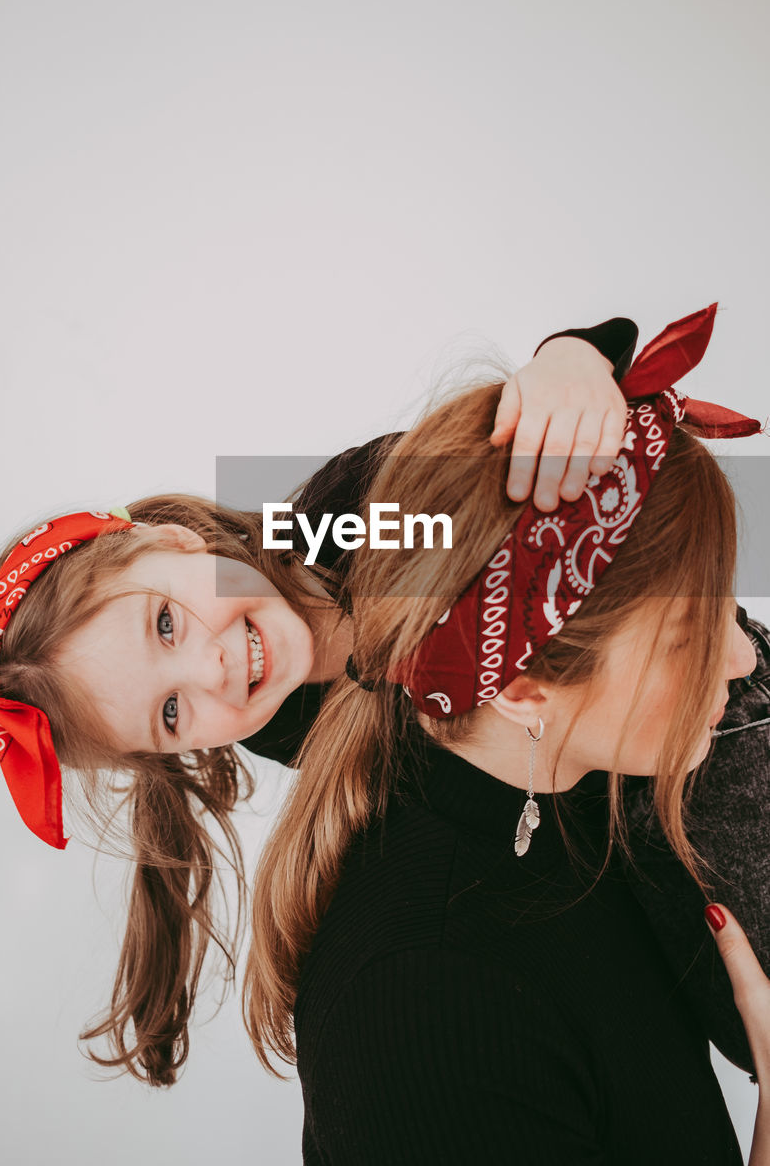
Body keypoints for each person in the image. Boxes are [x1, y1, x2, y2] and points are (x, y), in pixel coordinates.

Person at [0, 309, 769, 1099]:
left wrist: (567, 362)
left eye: (166, 622)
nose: (211, 670)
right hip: (627, 833)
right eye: (171, 714)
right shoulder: (293, 736)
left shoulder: (345, 519)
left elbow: (513, 480)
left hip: (703, 703)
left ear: (174, 544)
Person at [243, 306, 768, 1163]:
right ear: (523, 689)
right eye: (684, 637)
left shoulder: (575, 798)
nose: (738, 661)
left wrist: (571, 359)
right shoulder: (421, 1006)